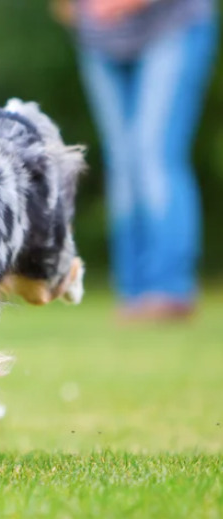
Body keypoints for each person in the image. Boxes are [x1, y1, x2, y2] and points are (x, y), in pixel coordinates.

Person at [52, 0, 219, 320]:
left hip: (171, 25)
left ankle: (168, 290)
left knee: (153, 155)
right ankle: (134, 291)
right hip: (101, 39)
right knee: (123, 164)